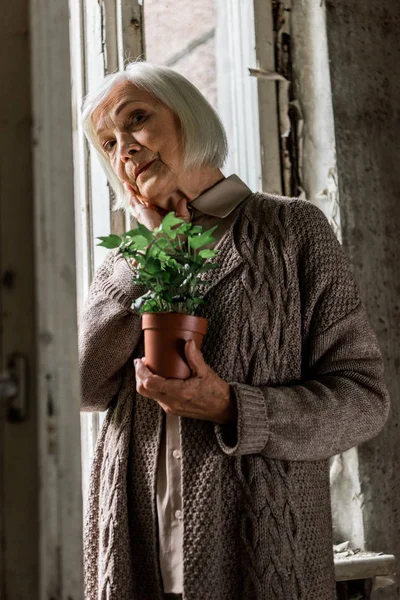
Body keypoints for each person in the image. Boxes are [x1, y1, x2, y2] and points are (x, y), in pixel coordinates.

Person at [79, 61, 389, 600]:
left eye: (137, 120)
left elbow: (363, 400)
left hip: (261, 554)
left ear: (189, 120)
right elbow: (80, 387)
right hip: (133, 554)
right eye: (107, 143)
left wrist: (233, 407)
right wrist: (150, 250)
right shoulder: (125, 261)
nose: (124, 147)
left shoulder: (292, 229)